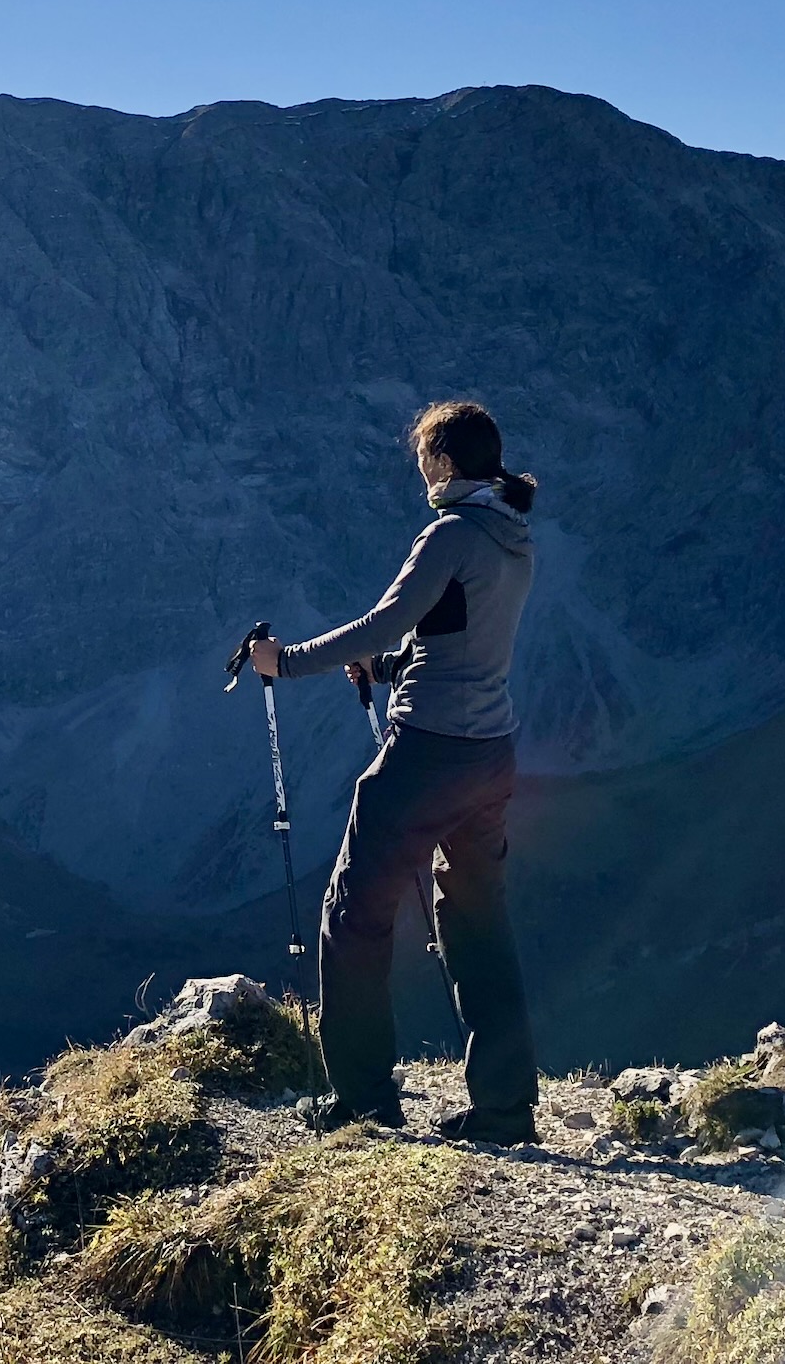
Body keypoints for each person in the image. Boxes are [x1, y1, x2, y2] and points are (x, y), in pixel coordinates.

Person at [245, 398, 541, 1144]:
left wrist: (286, 662)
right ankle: (505, 1107)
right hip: (492, 753)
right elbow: (457, 637)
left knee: (353, 916)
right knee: (478, 919)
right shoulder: (513, 536)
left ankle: (365, 1104)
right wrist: (387, 667)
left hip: (428, 751)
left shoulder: (449, 535)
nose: (422, 477)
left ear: (442, 464)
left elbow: (385, 617)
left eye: (423, 463)